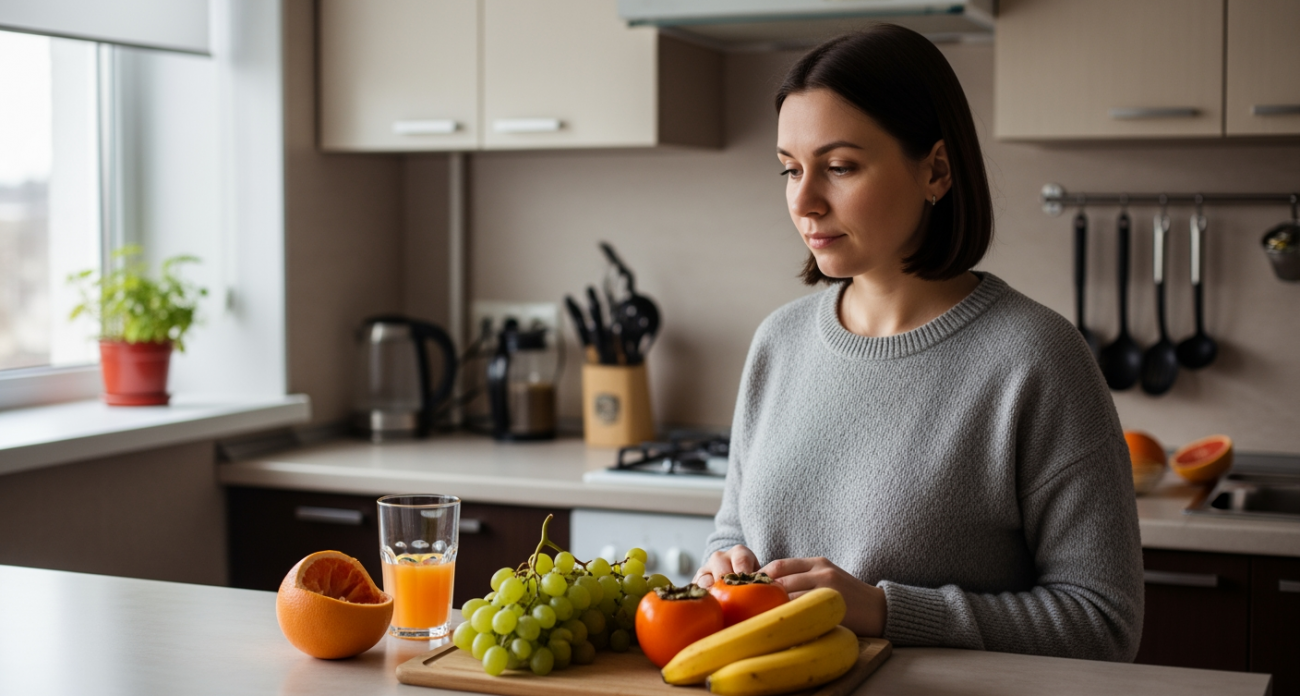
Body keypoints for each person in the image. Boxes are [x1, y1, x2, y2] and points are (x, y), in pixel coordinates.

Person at [694, 25, 1144, 662]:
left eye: (839, 167)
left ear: (935, 169)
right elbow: (735, 529)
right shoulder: (779, 342)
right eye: (790, 170)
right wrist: (723, 565)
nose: (804, 200)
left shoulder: (1037, 359)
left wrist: (882, 609)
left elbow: (1103, 624)